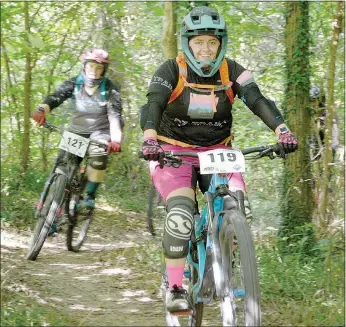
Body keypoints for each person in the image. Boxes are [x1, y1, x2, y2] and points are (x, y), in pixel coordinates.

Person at [140, 6, 298, 313]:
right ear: (187, 42)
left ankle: (223, 254)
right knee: (182, 212)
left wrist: (282, 129)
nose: (205, 48)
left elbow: (258, 99)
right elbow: (153, 105)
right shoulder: (170, 70)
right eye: (199, 42)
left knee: (234, 201)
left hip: (217, 151)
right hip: (173, 152)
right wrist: (149, 137)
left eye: (212, 42)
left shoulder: (233, 70)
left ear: (221, 43)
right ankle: (174, 287)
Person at [32, 48, 123, 224]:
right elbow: (56, 97)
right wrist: (42, 109)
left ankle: (89, 194)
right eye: (90, 66)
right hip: (76, 131)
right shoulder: (76, 82)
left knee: (98, 157)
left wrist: (115, 139)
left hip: (100, 132)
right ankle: (50, 211)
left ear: (103, 70)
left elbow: (115, 115)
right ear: (84, 66)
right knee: (62, 166)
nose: (93, 71)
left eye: (98, 68)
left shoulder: (111, 89)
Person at [309, 86, 339, 161]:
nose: (313, 103)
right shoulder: (312, 112)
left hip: (328, 146)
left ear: (320, 100)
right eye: (311, 101)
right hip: (315, 148)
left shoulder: (328, 112)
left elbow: (334, 132)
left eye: (315, 100)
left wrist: (331, 148)